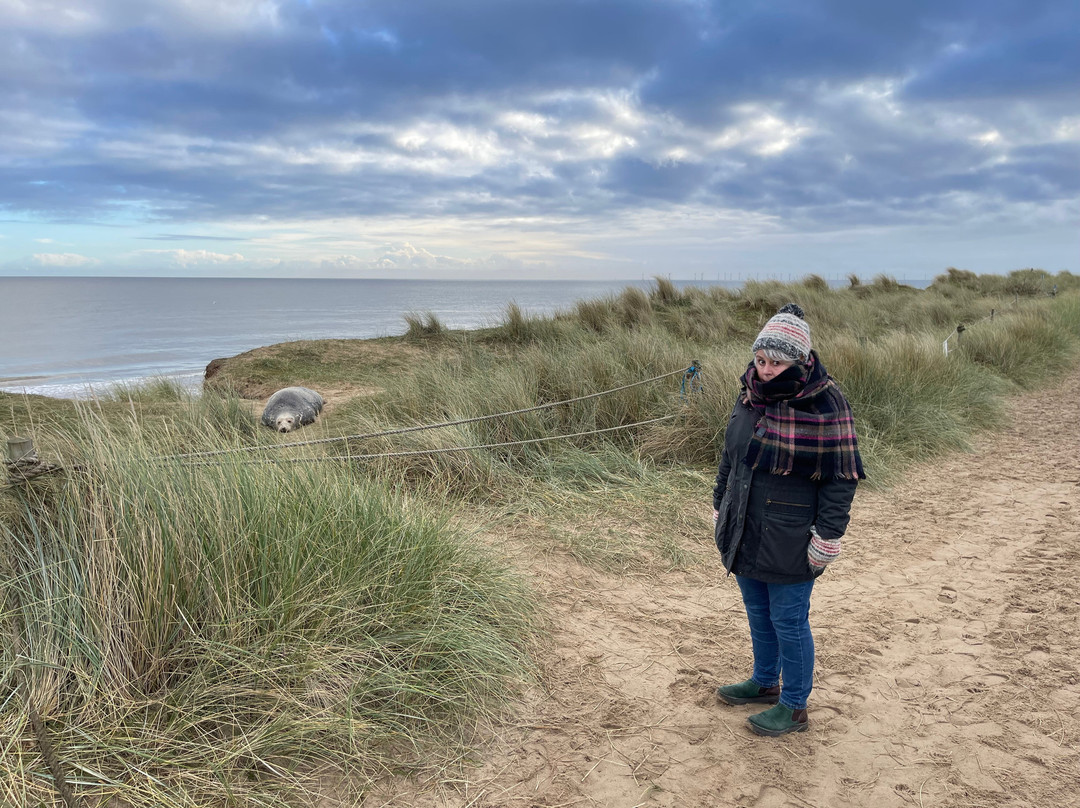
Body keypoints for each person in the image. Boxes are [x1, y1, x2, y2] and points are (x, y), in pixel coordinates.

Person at [712, 303, 864, 737]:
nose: (765, 370)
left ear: (799, 360)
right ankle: (764, 682)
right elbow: (731, 454)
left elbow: (842, 478)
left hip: (792, 536)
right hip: (745, 527)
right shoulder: (748, 395)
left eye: (776, 363)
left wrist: (828, 537)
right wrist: (720, 500)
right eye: (760, 360)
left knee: (790, 621)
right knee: (757, 611)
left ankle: (794, 706)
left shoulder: (826, 402)